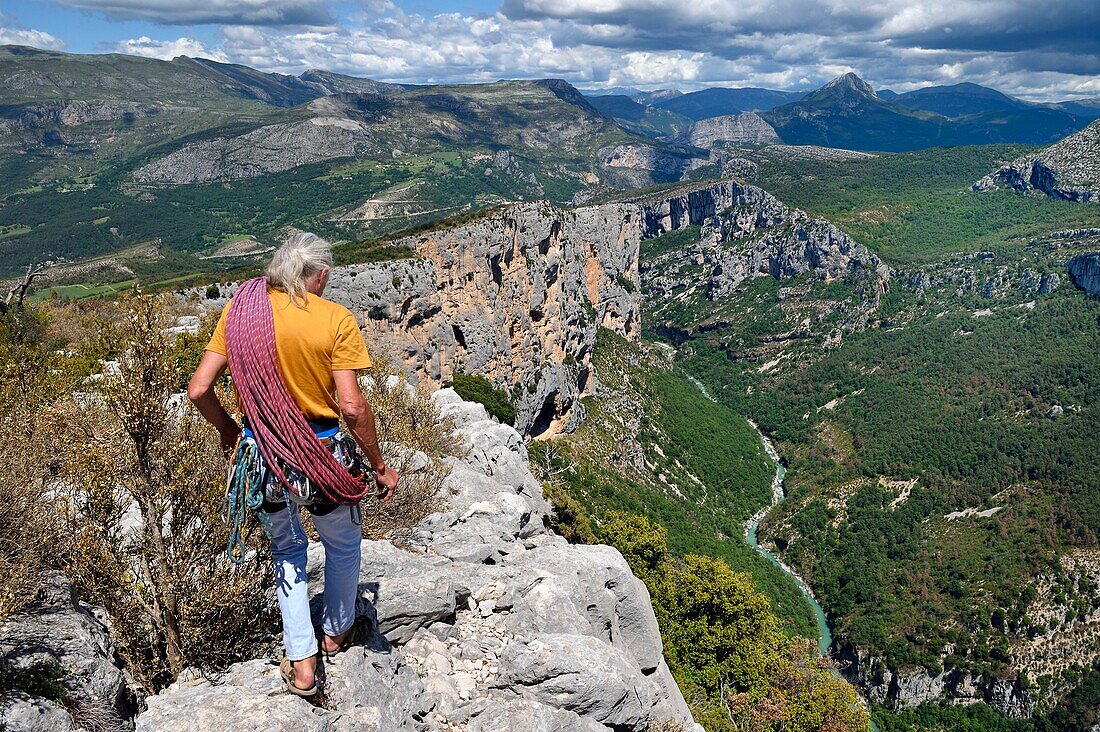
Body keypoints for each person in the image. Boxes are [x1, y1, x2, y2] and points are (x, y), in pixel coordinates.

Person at [187, 232, 400, 697]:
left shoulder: (241, 312)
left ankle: (302, 663)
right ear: (319, 274)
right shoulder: (335, 319)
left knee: (287, 553)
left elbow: (199, 389)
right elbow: (352, 406)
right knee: (343, 546)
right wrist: (379, 465)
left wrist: (230, 433)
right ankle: (337, 632)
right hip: (320, 454)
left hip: (261, 456)